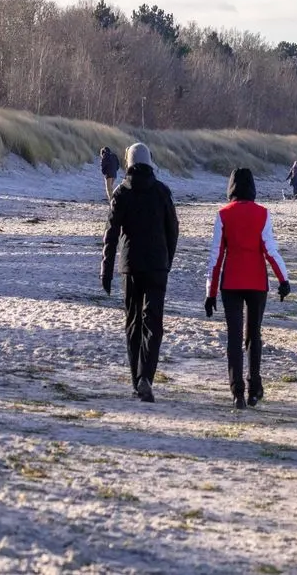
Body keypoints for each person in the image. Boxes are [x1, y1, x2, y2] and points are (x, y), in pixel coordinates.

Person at [205, 167, 291, 410]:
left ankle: (237, 392)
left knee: (234, 337)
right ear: (252, 187)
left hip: (230, 283)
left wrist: (210, 293)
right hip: (256, 283)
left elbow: (216, 256)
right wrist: (283, 280)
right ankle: (254, 388)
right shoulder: (262, 214)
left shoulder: (223, 214)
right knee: (253, 335)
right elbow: (270, 250)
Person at [101, 143, 179, 404]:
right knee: (153, 323)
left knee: (133, 323)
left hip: (130, 266)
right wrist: (168, 257)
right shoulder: (162, 192)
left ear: (129, 163)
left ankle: (137, 380)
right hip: (158, 266)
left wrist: (106, 268)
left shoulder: (122, 193)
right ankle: (146, 376)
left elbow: (111, 234)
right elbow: (173, 229)